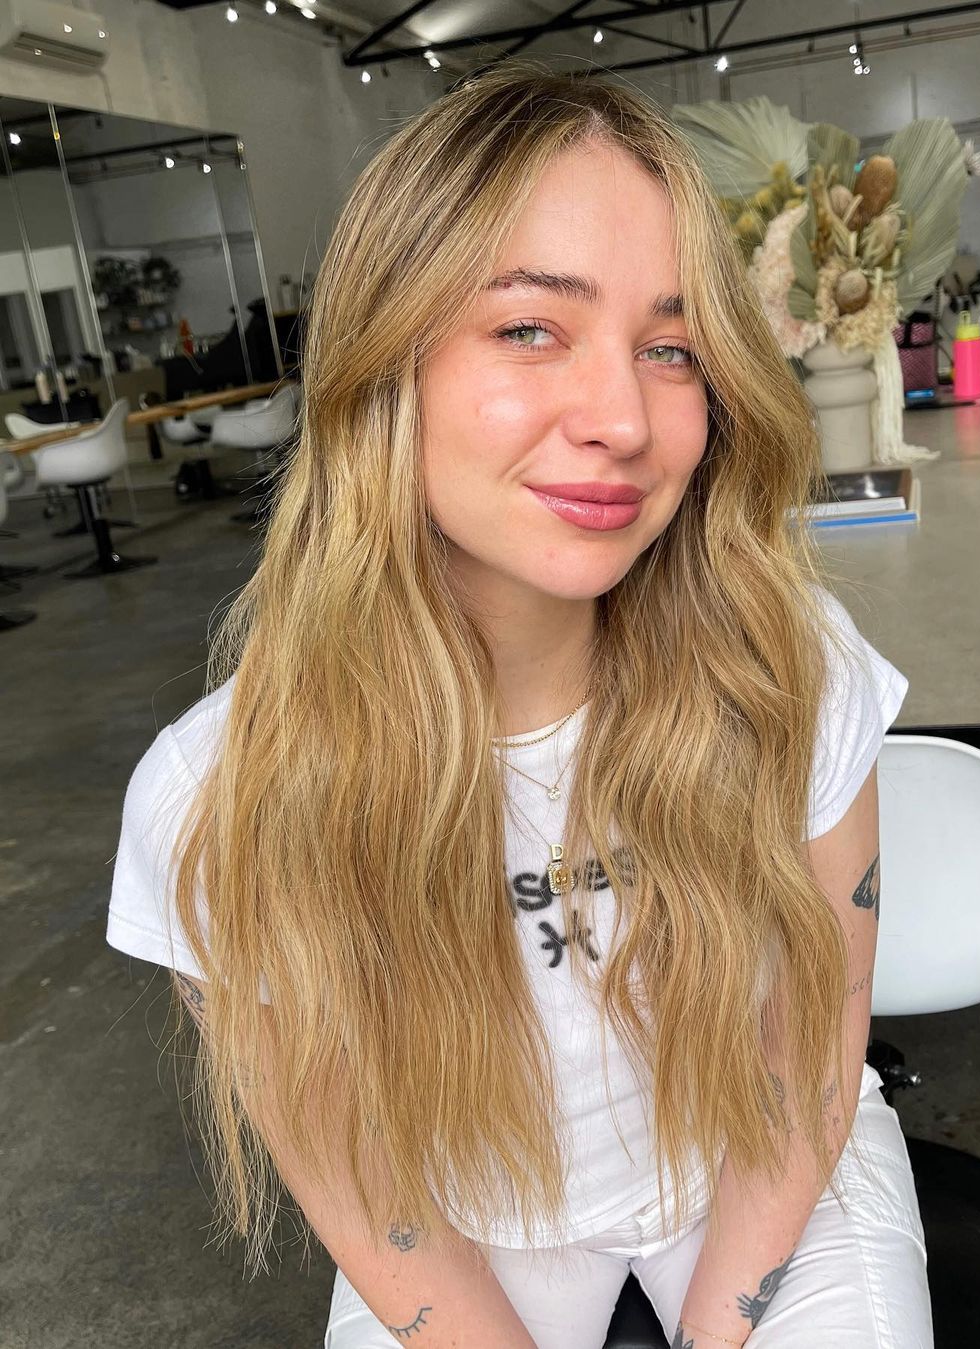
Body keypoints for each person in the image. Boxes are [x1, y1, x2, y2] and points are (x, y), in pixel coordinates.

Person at [106, 65, 932, 1349]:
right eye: (531, 328)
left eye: (671, 349)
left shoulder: (787, 665)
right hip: (465, 1202)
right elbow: (356, 1171)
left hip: (766, 1150)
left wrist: (719, 1333)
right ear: (388, 358)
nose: (622, 419)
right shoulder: (215, 798)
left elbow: (809, 1043)